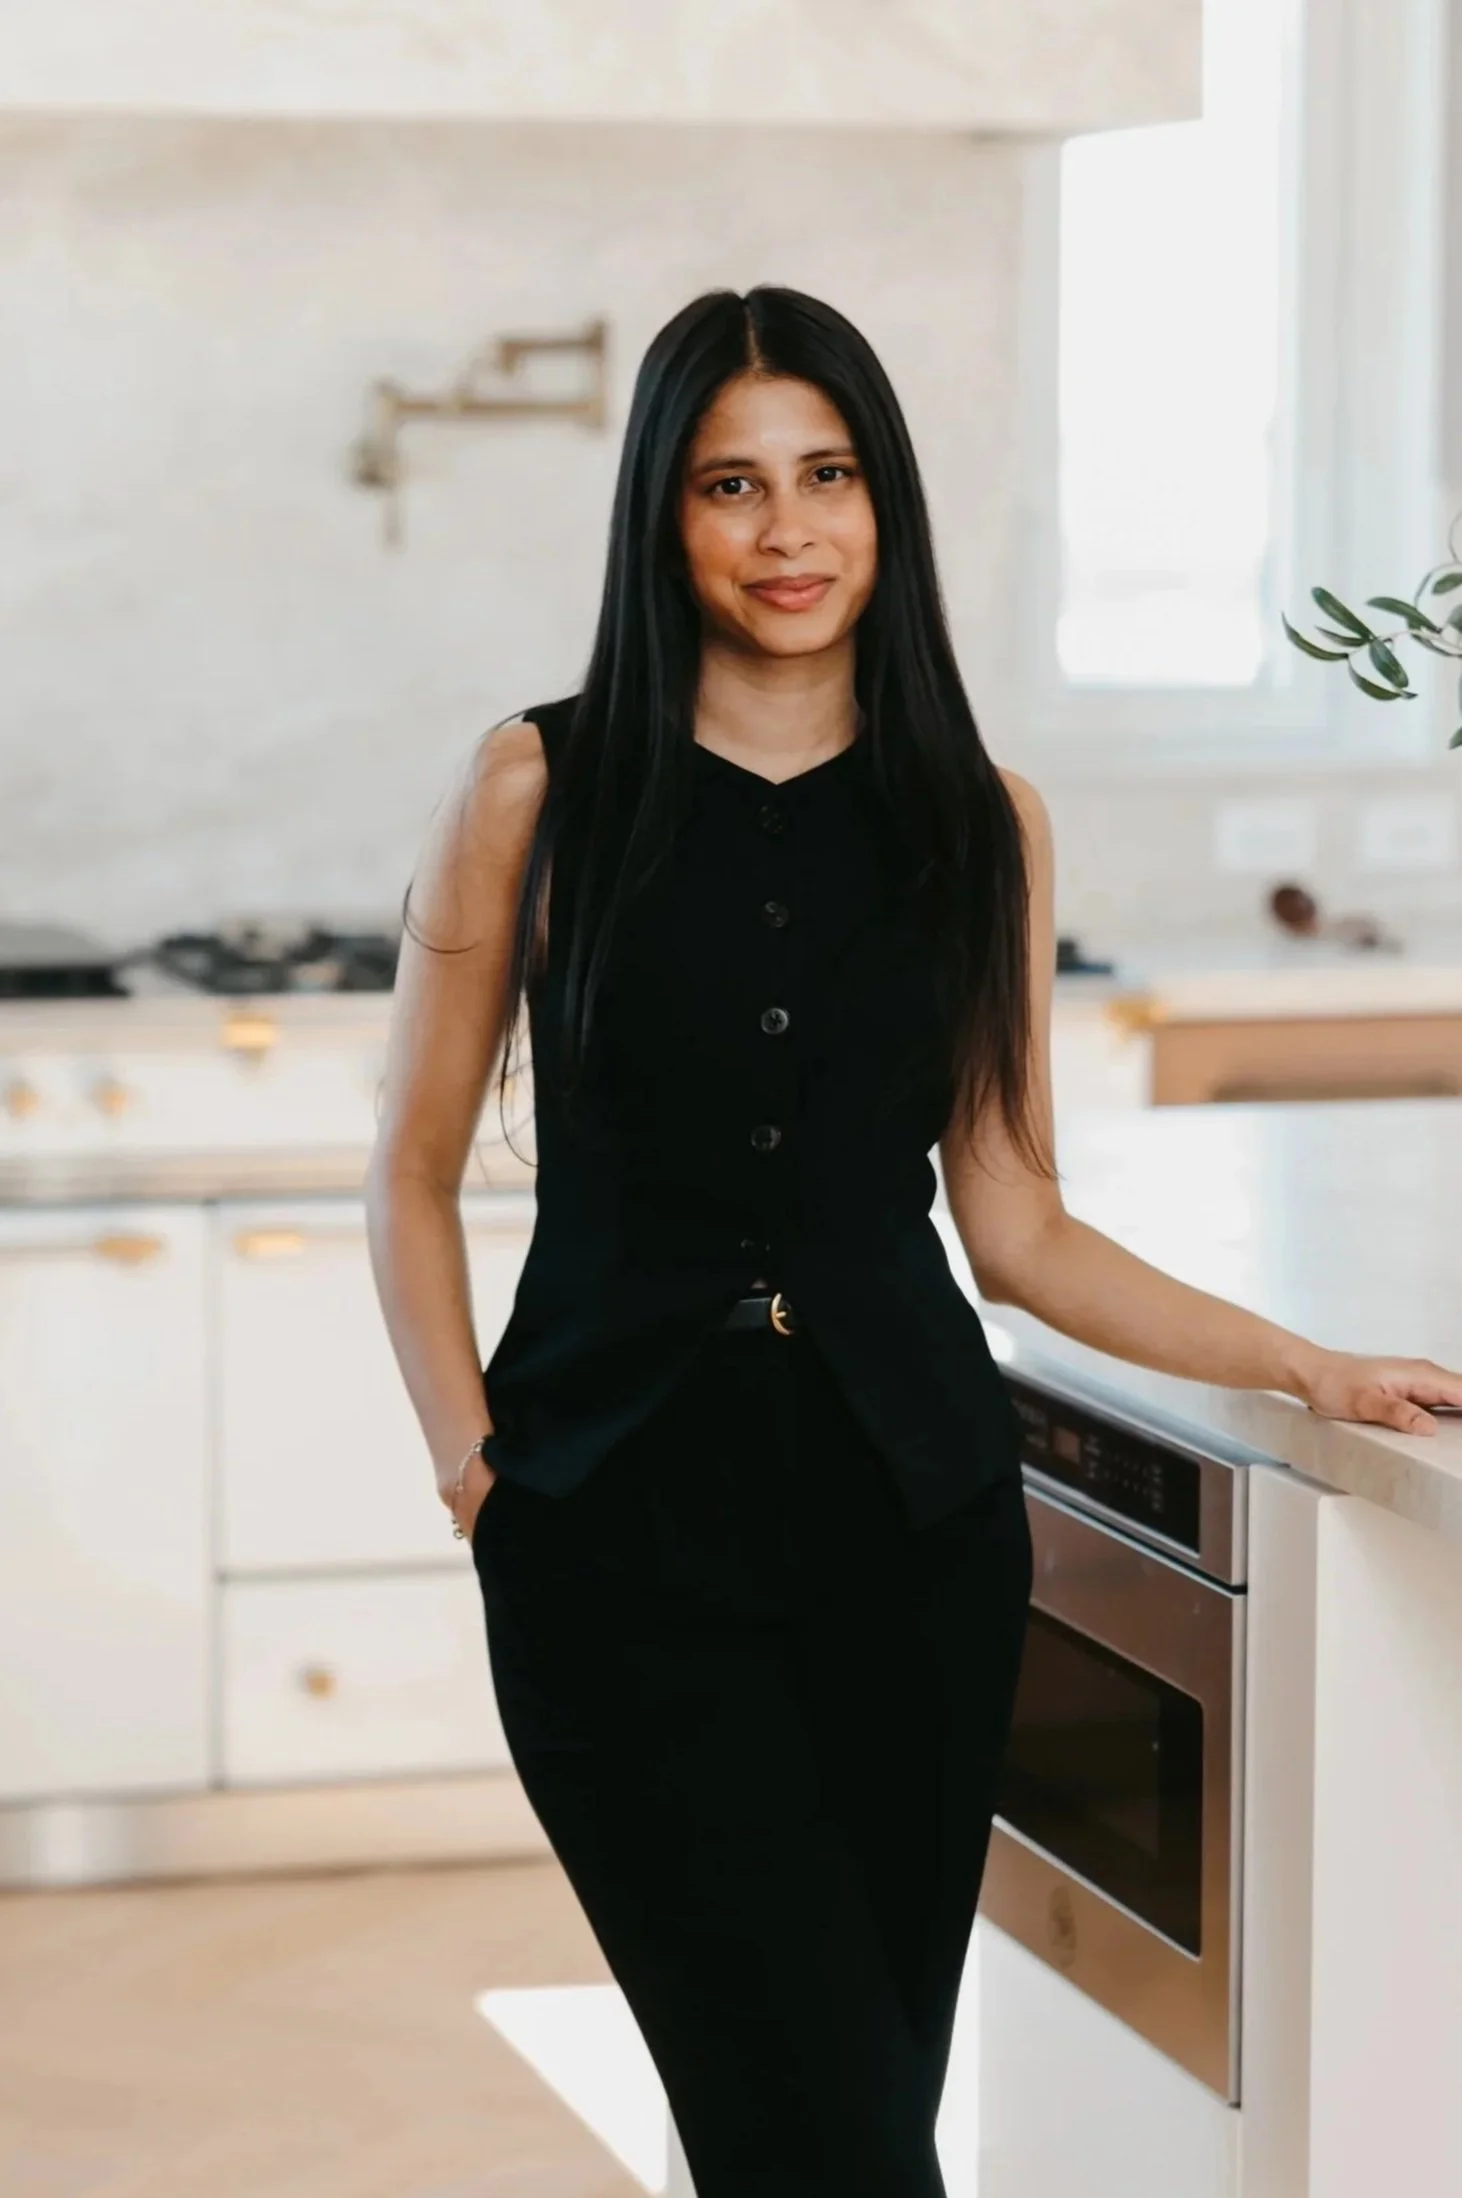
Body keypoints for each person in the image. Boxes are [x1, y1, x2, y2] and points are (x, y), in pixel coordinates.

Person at [363, 285, 1462, 2198]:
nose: (787, 530)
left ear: (886, 503)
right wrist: (474, 1466)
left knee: (842, 2116)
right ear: (662, 514)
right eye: (731, 484)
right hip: (613, 1546)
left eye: (829, 476)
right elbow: (406, 1164)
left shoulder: (978, 822)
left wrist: (1307, 1365)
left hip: (913, 1543)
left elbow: (1015, 1223)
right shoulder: (536, 787)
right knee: (823, 2139)